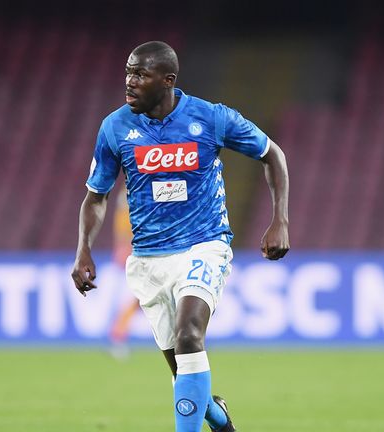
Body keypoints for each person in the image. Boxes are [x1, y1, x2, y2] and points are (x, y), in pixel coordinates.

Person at [71, 41, 289, 432]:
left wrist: (280, 220)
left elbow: (273, 155)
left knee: (190, 334)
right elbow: (96, 196)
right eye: (128, 72)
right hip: (149, 259)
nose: (129, 82)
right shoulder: (115, 127)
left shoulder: (211, 118)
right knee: (183, 370)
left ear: (167, 80)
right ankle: (219, 418)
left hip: (204, 244)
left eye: (140, 74)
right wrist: (83, 249)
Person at [108, 186, 141, 359]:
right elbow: (124, 229)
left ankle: (118, 336)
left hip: (136, 254)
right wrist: (123, 247)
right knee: (133, 298)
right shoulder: (132, 191)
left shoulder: (131, 190)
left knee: (137, 300)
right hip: (133, 256)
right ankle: (117, 337)